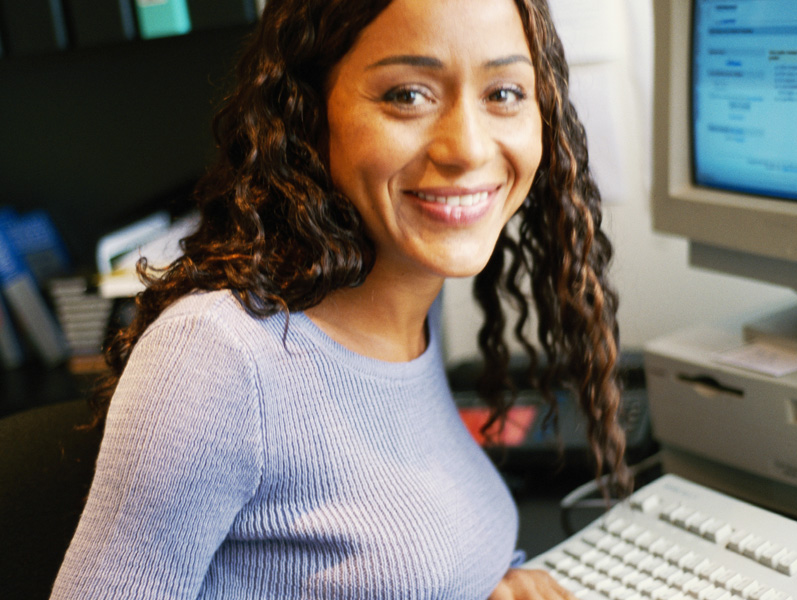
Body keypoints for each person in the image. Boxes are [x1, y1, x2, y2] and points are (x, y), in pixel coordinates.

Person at [50, 0, 630, 597]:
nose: (468, 149)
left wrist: (490, 584)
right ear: (307, 109)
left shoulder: (413, 310)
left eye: (504, 93)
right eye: (408, 95)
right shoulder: (216, 355)